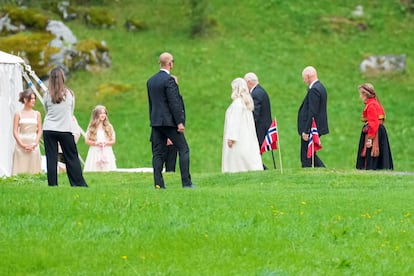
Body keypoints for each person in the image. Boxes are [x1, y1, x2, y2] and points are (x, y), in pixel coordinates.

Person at [147, 52, 194, 189]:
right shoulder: (169, 80)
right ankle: (186, 182)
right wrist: (179, 121)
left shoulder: (151, 81)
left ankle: (158, 183)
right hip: (169, 122)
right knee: (183, 149)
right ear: (170, 63)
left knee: (157, 153)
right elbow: (174, 102)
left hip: (156, 122)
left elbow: (152, 103)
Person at [43, 67, 88, 187]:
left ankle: (52, 184)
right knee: (71, 157)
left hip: (49, 129)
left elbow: (46, 110)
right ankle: (78, 183)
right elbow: (71, 112)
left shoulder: (47, 94)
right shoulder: (69, 94)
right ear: (63, 78)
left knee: (51, 158)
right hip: (65, 129)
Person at [222, 77, 263, 173]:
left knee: (237, 161)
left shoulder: (237, 104)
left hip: (238, 137)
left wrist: (231, 138)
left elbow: (234, 122)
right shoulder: (245, 103)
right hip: (245, 135)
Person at [356, 83, 393, 170]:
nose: (360, 96)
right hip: (379, 130)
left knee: (371, 152)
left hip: (375, 131)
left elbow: (373, 123)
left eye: (361, 94)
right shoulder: (375, 103)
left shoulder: (371, 105)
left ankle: (370, 166)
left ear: (365, 94)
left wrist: (370, 139)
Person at [297, 66, 329, 167]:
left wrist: (306, 130)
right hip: (316, 126)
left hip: (312, 127)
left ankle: (318, 170)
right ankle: (322, 169)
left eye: (304, 78)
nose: (304, 80)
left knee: (306, 155)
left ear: (308, 76)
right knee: (310, 153)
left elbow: (312, 112)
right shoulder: (320, 87)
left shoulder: (314, 90)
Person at [244, 72, 272, 169]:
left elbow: (255, 114)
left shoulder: (256, 94)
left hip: (260, 129)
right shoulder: (259, 91)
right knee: (254, 154)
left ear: (248, 82)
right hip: (263, 128)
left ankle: (263, 170)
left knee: (253, 154)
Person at [11, 88, 42, 175]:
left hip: (33, 143)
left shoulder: (37, 114)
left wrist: (35, 143)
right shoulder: (18, 114)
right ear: (25, 100)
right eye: (31, 98)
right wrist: (22, 144)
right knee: (20, 168)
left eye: (34, 98)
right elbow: (15, 131)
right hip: (21, 143)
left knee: (34, 169)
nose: (33, 100)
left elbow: (40, 130)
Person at [84, 105, 117, 172]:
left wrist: (106, 143)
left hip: (106, 150)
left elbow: (113, 141)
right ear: (96, 115)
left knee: (108, 170)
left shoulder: (109, 127)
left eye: (104, 113)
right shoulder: (92, 127)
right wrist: (95, 143)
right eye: (101, 113)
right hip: (95, 151)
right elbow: (87, 141)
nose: (103, 115)